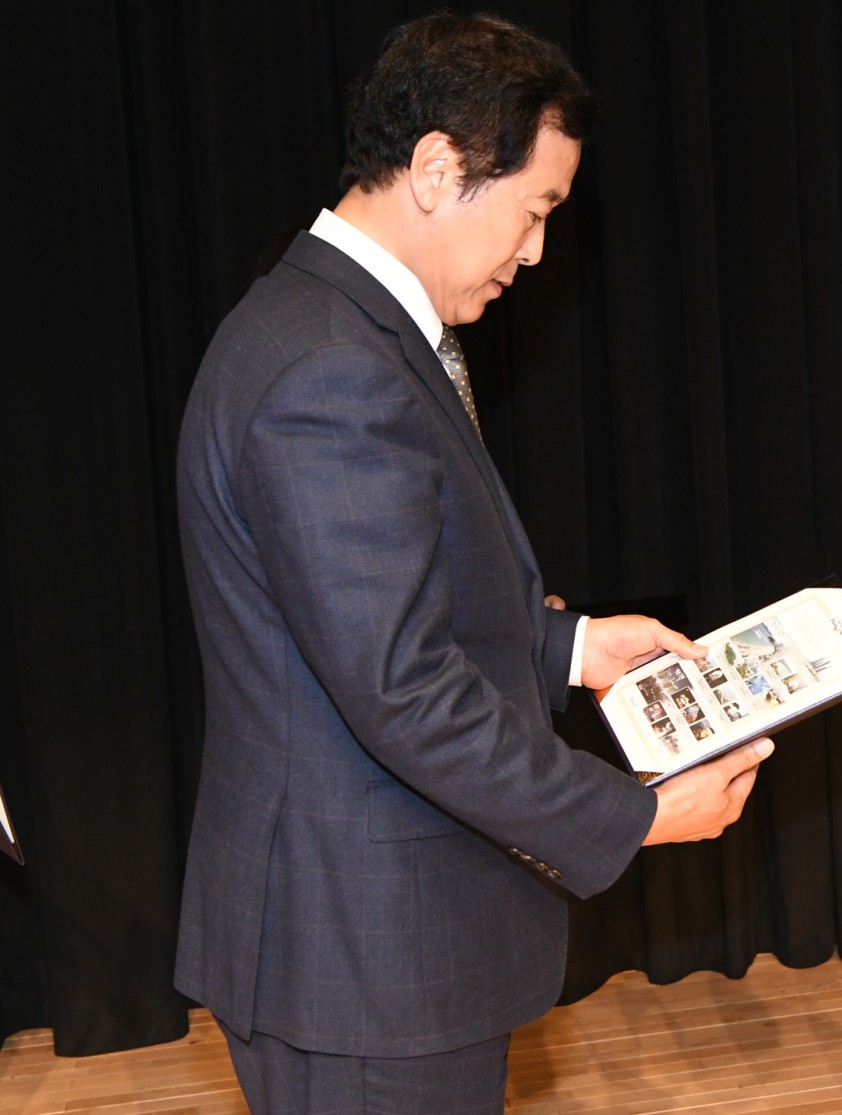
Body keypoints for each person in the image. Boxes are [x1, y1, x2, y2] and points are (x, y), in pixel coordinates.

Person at [174, 14, 772, 1112]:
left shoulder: (335, 325)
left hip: (366, 949)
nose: (536, 252)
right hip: (365, 962)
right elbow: (403, 691)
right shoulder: (330, 367)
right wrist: (634, 813)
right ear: (439, 167)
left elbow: (376, 617)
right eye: (535, 209)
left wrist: (575, 647)